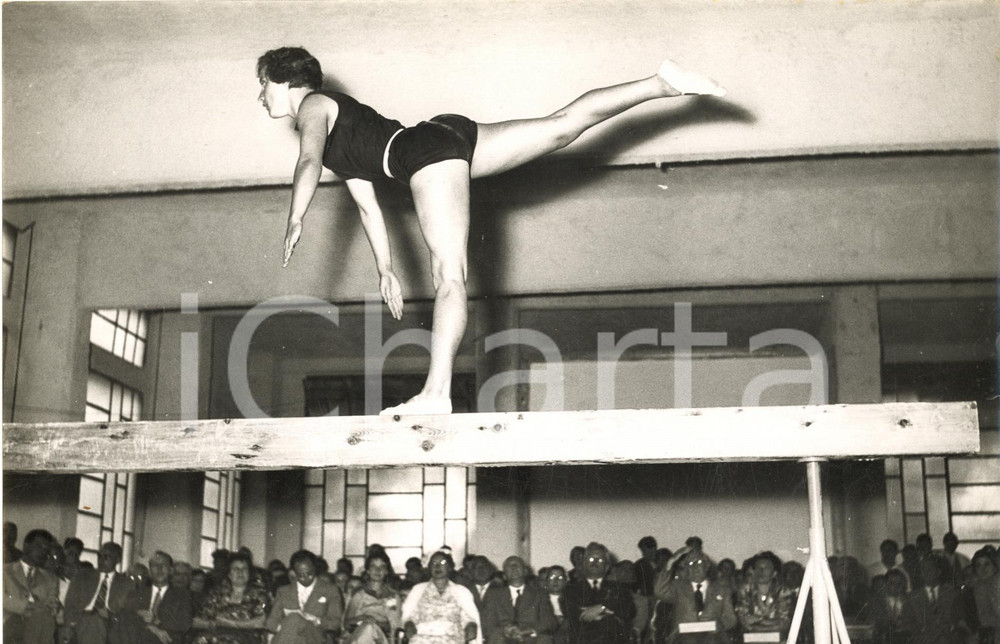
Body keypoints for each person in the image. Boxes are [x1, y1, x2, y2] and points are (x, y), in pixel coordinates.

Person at [257, 46, 725, 415]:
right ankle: (662, 82)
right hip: (447, 134)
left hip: (421, 153)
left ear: (285, 79)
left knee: (450, 276)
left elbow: (307, 160)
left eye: (263, 86)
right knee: (560, 127)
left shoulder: (315, 106)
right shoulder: (343, 132)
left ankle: (436, 392)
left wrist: (296, 214)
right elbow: (366, 206)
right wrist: (385, 269)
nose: (261, 98)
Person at [3, 529, 60, 644]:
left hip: (36, 627)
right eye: (39, 546)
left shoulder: (50, 579)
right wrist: (26, 607)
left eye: (46, 548)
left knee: (43, 621)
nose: (43, 551)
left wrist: (41, 610)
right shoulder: (5, 570)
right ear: (26, 546)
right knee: (44, 627)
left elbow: (53, 606)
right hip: (9, 624)